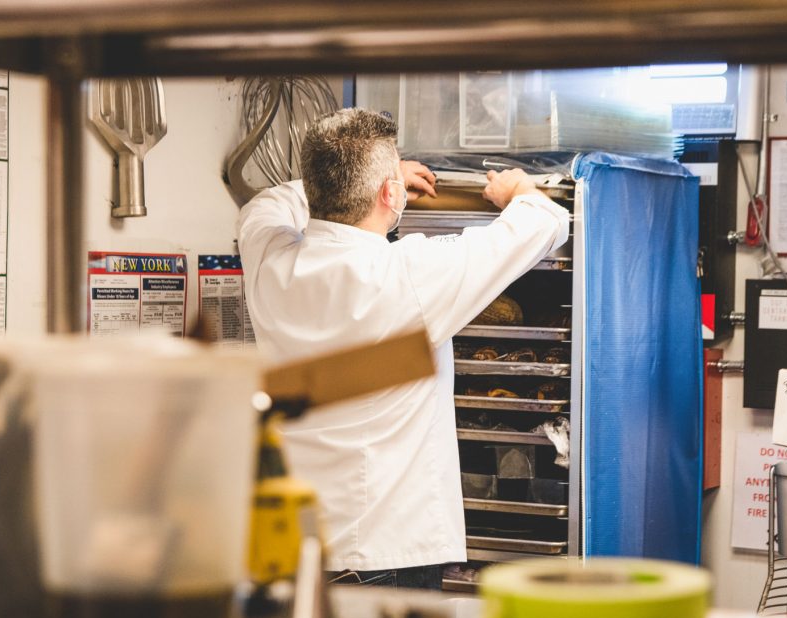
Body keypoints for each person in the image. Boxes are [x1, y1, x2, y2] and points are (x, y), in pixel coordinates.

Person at [236, 108, 569, 589]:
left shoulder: (269, 259)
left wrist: (370, 180)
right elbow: (544, 221)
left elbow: (265, 204)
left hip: (292, 550)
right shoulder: (409, 274)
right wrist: (518, 190)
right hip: (385, 557)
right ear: (390, 194)